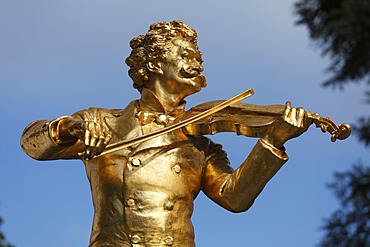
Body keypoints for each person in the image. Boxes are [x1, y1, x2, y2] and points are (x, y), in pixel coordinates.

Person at [21, 20, 310, 247]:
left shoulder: (200, 146)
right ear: (154, 63)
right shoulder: (102, 123)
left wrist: (273, 140)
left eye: (198, 58)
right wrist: (69, 127)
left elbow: (234, 198)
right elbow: (31, 144)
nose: (196, 64)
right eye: (185, 55)